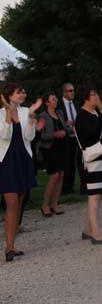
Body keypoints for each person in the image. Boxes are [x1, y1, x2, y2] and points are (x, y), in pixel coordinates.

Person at [1, 84, 40, 261]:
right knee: (11, 201)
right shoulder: (0, 114)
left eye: (24, 91)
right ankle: (9, 247)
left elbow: (30, 137)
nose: (23, 94)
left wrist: (32, 116)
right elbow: (5, 135)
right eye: (19, 92)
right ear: (9, 96)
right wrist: (9, 112)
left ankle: (12, 244)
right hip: (6, 161)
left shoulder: (26, 111)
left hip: (23, 158)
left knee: (20, 201)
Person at [73, 86, 102, 244]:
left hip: (101, 156)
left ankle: (87, 229)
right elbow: (91, 134)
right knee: (94, 195)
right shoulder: (82, 115)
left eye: (97, 94)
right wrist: (100, 117)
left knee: (97, 194)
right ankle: (95, 232)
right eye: (93, 95)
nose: (97, 97)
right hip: (91, 160)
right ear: (85, 98)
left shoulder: (96, 113)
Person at [35, 91, 67, 216]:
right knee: (54, 176)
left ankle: (54, 204)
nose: (56, 100)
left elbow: (64, 128)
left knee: (61, 176)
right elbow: (40, 136)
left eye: (56, 98)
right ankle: (45, 205)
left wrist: (71, 128)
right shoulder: (42, 116)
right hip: (49, 149)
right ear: (47, 103)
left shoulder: (60, 113)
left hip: (62, 147)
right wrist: (54, 134)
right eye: (53, 99)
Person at [56, 82, 80, 196]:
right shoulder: (59, 104)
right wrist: (64, 123)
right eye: (70, 91)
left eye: (73, 90)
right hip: (65, 137)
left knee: (77, 162)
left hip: (76, 136)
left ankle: (72, 186)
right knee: (67, 162)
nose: (72, 93)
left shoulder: (76, 103)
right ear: (64, 92)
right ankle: (65, 187)